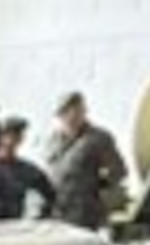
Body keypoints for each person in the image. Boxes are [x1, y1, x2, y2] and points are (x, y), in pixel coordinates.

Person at [45, 91, 130, 230]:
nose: (71, 117)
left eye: (76, 111)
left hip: (84, 214)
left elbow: (119, 171)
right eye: (65, 112)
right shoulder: (53, 140)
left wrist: (96, 186)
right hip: (57, 213)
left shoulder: (98, 139)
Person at [0, 116, 57, 218]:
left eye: (18, 134)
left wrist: (41, 218)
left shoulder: (26, 170)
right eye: (10, 134)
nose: (14, 138)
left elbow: (50, 194)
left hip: (14, 226)